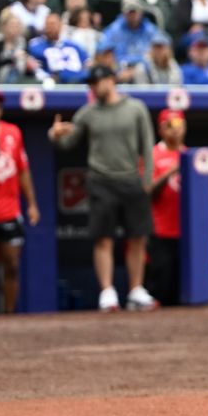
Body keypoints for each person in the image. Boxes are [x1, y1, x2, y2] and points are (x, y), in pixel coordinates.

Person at [48, 65, 158, 312]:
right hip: (101, 181)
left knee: (137, 238)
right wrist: (54, 135)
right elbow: (67, 142)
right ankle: (107, 291)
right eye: (91, 84)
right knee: (103, 239)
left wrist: (148, 178)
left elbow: (147, 145)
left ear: (111, 80)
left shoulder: (136, 109)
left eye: (98, 82)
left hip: (132, 180)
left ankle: (136, 290)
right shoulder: (87, 113)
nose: (94, 87)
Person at [0, 87, 40, 314]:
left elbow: (23, 170)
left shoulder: (13, 133)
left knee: (12, 266)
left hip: (8, 210)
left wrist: (33, 203)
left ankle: (10, 316)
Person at [148, 109, 186, 305]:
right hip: (161, 229)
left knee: (184, 287)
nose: (176, 130)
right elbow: (148, 191)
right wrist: (171, 171)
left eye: (180, 124)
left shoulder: (189, 155)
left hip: (186, 231)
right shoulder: (153, 155)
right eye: (171, 125)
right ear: (161, 129)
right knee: (162, 285)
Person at [27, 12, 88, 83]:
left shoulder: (73, 45)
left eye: (53, 24)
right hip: (54, 83)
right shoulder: (36, 45)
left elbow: (87, 62)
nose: (50, 28)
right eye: (48, 24)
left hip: (78, 81)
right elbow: (34, 65)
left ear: (61, 26)